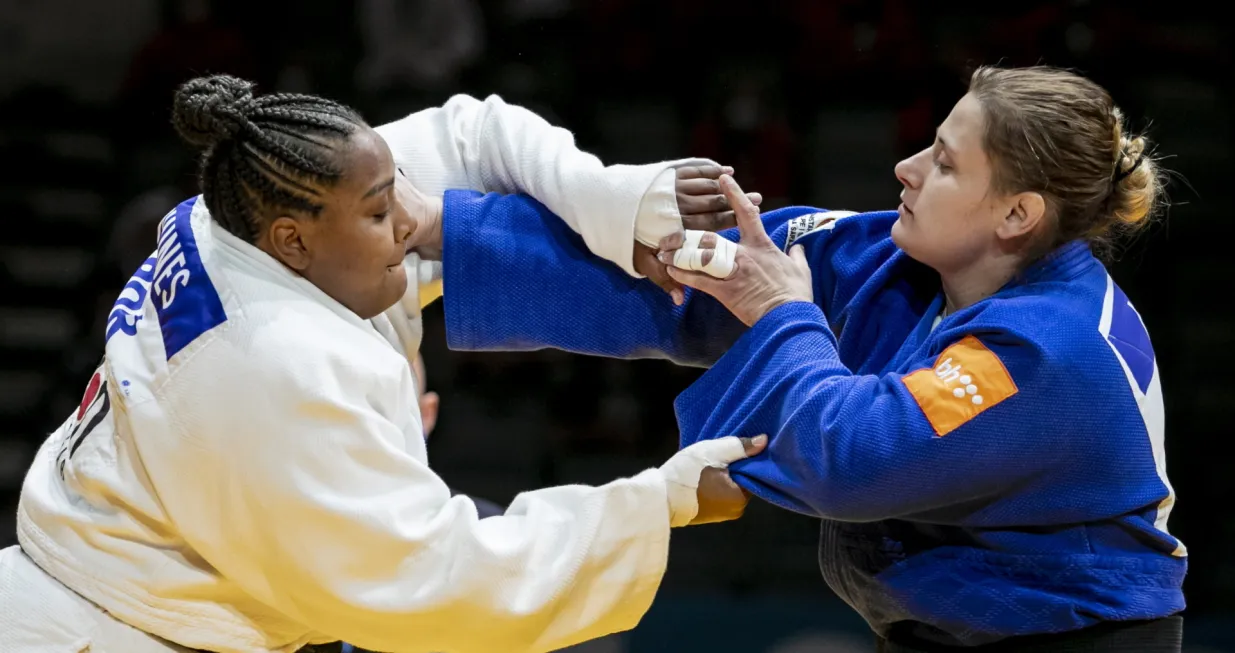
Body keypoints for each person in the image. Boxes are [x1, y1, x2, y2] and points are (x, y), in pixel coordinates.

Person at [428, 66, 1186, 651]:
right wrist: (440, 236)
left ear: (1017, 215)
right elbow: (672, 275)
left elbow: (850, 458)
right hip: (941, 630)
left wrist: (781, 311)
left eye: (946, 165)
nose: (906, 168)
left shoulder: (1046, 351)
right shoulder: (893, 256)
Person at [0, 75, 769, 653]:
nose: (412, 215)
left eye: (393, 189)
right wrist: (658, 501)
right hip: (107, 629)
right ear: (291, 239)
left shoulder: (242, 201)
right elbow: (432, 576)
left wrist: (615, 200)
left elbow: (471, 133)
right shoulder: (273, 364)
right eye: (378, 213)